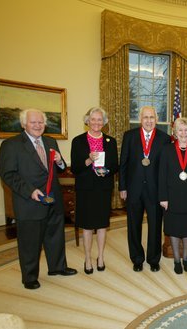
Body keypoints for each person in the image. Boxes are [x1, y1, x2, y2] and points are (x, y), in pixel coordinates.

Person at [0, 109, 77, 289]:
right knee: (30, 242)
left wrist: (60, 161)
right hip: (29, 201)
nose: (37, 125)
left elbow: (60, 168)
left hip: (53, 199)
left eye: (41, 122)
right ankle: (29, 277)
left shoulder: (50, 141)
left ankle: (57, 267)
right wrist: (30, 191)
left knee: (55, 237)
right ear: (24, 124)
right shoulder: (11, 145)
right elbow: (8, 174)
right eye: (33, 122)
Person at [119, 106, 170, 272]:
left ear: (156, 119)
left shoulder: (164, 138)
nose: (149, 121)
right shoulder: (129, 136)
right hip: (133, 189)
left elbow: (165, 169)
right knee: (134, 225)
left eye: (152, 117)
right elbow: (124, 164)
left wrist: (165, 193)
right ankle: (137, 258)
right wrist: (122, 187)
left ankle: (154, 259)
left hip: (155, 190)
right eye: (145, 117)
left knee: (155, 226)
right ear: (140, 119)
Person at [70, 107, 118, 275]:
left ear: (104, 122)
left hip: (103, 188)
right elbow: (75, 168)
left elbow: (114, 166)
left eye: (100, 120)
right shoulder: (78, 141)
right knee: (88, 226)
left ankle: (101, 257)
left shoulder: (110, 141)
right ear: (87, 121)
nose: (96, 122)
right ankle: (88, 258)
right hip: (86, 189)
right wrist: (89, 159)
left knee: (102, 225)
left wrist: (106, 171)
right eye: (93, 119)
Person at [159, 118, 187, 274]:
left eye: (186, 130)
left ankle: (186, 258)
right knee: (173, 228)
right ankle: (177, 260)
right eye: (180, 130)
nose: (183, 133)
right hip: (172, 197)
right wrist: (163, 197)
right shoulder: (166, 150)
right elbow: (162, 175)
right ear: (174, 133)